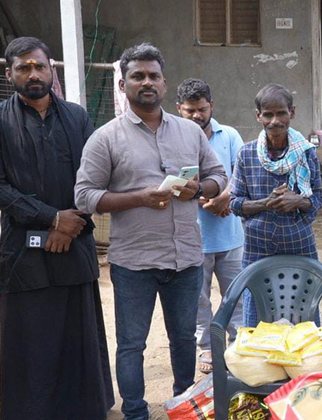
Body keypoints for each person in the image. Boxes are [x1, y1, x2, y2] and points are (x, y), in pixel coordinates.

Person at [75, 43, 227, 420]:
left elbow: (218, 176)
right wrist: (138, 198)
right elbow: (84, 195)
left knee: (183, 341)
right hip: (135, 263)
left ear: (164, 82)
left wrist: (200, 190)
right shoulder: (105, 137)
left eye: (154, 76)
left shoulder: (190, 133)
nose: (147, 82)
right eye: (138, 76)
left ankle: (182, 405)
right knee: (131, 345)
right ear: (124, 84)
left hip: (186, 258)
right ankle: (136, 412)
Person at [0, 36, 114, 419]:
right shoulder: (1, 120)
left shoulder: (77, 117)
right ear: (9, 73)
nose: (33, 74)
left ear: (52, 70)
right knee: (29, 332)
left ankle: (83, 406)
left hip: (74, 239)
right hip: (23, 247)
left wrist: (69, 224)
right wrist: (50, 218)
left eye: (39, 66)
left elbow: (91, 178)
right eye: (23, 67)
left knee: (75, 328)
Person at [230, 83, 322, 327]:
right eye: (268, 114)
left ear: (292, 112)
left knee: (305, 313)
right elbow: (235, 203)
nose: (275, 121)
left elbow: (317, 202)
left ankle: (304, 365)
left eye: (281, 113)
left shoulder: (306, 153)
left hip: (299, 244)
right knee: (256, 315)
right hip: (257, 248)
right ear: (258, 116)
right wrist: (266, 204)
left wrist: (298, 201)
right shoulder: (246, 154)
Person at [176, 78, 245, 374]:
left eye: (201, 109)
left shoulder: (228, 136)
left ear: (211, 106)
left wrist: (224, 198)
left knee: (237, 294)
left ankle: (239, 343)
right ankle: (207, 347)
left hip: (230, 234)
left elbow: (242, 173)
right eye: (190, 110)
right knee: (198, 299)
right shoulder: (173, 139)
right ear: (179, 109)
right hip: (193, 237)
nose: (196, 116)